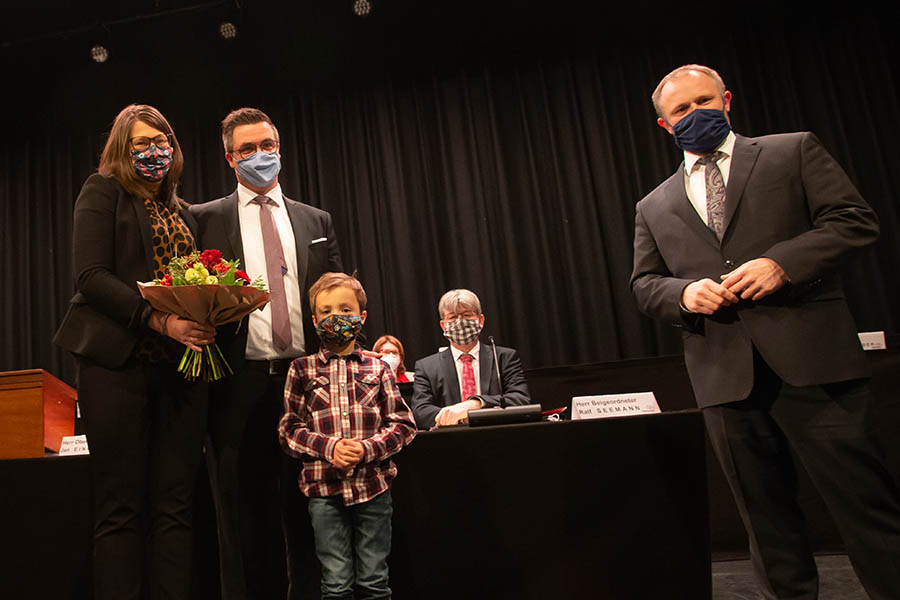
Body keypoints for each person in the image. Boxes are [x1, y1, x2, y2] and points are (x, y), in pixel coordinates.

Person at [630, 64, 900, 599]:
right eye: (681, 110)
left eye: (704, 101)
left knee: (868, 509)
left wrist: (782, 263)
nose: (695, 114)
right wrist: (683, 294)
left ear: (726, 100)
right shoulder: (653, 204)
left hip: (815, 365)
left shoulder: (791, 151)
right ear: (665, 125)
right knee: (767, 526)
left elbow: (853, 220)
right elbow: (644, 284)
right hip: (726, 379)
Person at [53, 104, 215, 600]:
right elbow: (91, 277)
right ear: (122, 151)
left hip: (180, 372)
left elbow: (191, 284)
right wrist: (161, 320)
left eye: (161, 139)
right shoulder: (103, 191)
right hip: (118, 367)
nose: (153, 150)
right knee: (120, 508)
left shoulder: (183, 211)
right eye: (141, 143)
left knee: (175, 507)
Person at [190, 107, 343, 600]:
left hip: (307, 385)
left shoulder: (315, 220)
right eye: (249, 149)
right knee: (244, 513)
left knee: (312, 509)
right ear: (230, 159)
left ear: (280, 148)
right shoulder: (202, 220)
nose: (261, 156)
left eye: (268, 146)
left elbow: (337, 293)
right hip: (237, 385)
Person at [279, 272, 416, 600]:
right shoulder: (301, 369)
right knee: (336, 583)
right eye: (325, 311)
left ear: (361, 316)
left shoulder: (378, 368)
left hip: (374, 487)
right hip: (324, 490)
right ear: (314, 320)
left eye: (344, 309)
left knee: (373, 581)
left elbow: (403, 425)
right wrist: (332, 448)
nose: (335, 317)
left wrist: (365, 450)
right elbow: (289, 429)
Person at [410, 288, 531, 429]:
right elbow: (420, 412)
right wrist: (456, 416)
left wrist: (476, 404)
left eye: (467, 315)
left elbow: (521, 399)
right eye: (453, 317)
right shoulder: (426, 367)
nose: (460, 321)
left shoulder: (504, 358)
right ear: (443, 325)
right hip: (451, 441)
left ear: (481, 320)